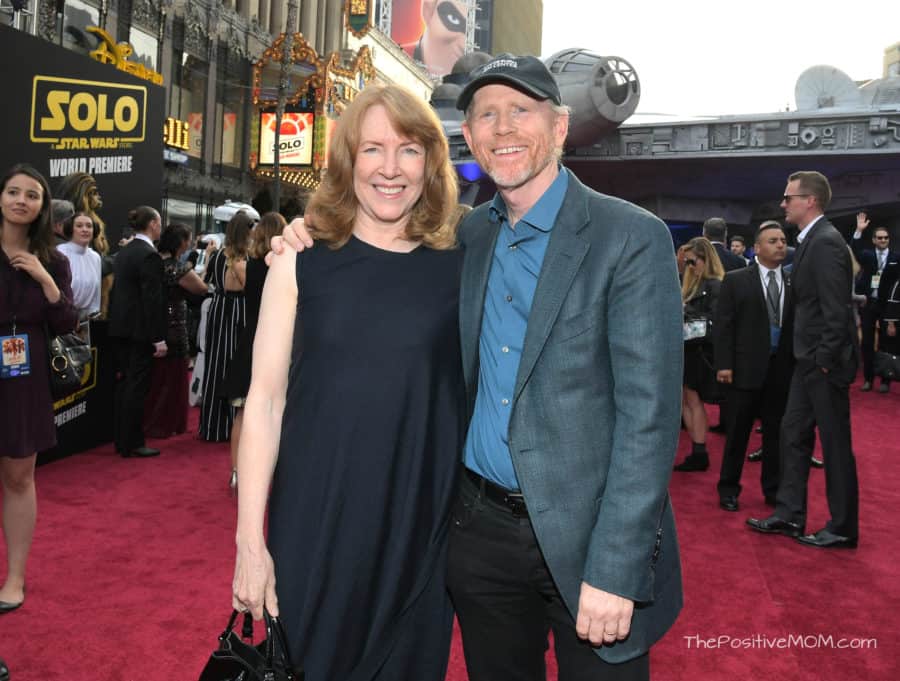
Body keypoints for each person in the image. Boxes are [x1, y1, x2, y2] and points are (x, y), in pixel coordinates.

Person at [278, 54, 684, 681]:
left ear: (559, 126)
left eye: (521, 111)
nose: (503, 128)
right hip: (477, 539)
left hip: (588, 545)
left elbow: (650, 420)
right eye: (486, 115)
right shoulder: (465, 239)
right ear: (467, 138)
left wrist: (615, 566)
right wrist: (301, 235)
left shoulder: (629, 236)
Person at [231, 84, 462, 681]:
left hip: (419, 528)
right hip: (316, 520)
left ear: (431, 163)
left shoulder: (462, 262)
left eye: (409, 150)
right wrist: (249, 542)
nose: (390, 168)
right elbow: (264, 403)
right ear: (346, 160)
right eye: (373, 149)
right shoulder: (299, 260)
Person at [747, 171, 859, 549]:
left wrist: (824, 360)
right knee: (791, 434)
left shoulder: (826, 243)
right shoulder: (813, 241)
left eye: (788, 197)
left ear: (808, 201)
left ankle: (842, 527)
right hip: (807, 364)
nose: (783, 204)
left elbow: (836, 311)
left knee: (834, 446)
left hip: (821, 365)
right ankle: (789, 514)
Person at [0, 163, 77, 613]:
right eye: (13, 191)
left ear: (43, 207)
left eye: (32, 195)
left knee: (18, 475)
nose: (21, 200)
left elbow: (66, 321)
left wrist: (44, 279)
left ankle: (15, 577)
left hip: (23, 374)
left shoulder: (54, 259)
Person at [714, 222, 793, 511]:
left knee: (775, 435)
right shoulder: (736, 280)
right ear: (757, 248)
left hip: (780, 372)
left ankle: (772, 490)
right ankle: (728, 489)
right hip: (744, 370)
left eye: (783, 240)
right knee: (737, 433)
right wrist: (724, 364)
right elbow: (724, 326)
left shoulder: (791, 281)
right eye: (773, 241)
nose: (780, 245)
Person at [222, 211, 286, 490]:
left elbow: (226, 288)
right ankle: (272, 474)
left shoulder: (247, 267)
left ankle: (237, 472)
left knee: (243, 413)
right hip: (280, 343)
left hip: (251, 341)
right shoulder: (287, 269)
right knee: (277, 413)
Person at [107, 206, 168, 458]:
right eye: (160, 222)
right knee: (136, 387)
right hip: (140, 332)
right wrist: (158, 338)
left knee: (124, 386)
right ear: (153, 224)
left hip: (120, 327)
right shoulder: (148, 255)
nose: (161, 227)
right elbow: (152, 300)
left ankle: (122, 440)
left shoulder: (124, 252)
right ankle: (132, 442)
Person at [143, 223, 209, 439]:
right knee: (172, 378)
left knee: (158, 378)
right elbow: (201, 287)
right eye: (188, 239)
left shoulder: (156, 261)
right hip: (174, 325)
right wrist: (207, 261)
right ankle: (164, 423)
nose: (190, 243)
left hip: (155, 324)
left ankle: (152, 421)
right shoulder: (176, 267)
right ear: (181, 242)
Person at [198, 211, 251, 442]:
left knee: (215, 363)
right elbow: (248, 287)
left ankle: (211, 426)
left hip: (218, 309)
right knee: (234, 364)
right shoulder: (245, 258)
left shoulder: (218, 254)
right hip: (238, 310)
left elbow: (204, 282)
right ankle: (231, 425)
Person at [674, 237, 725, 472]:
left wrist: (685, 318)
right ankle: (697, 449)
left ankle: (699, 449)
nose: (689, 266)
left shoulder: (715, 286)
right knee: (687, 401)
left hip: (700, 352)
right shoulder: (690, 285)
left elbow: (715, 325)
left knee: (693, 401)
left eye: (692, 261)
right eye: (687, 262)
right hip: (688, 351)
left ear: (705, 260)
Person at [851, 212, 899, 393]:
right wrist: (858, 230)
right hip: (869, 303)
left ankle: (886, 379)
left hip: (888, 305)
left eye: (886, 238)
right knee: (867, 343)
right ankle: (869, 379)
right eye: (879, 238)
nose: (883, 240)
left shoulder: (896, 257)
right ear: (873, 240)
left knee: (888, 342)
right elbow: (854, 250)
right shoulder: (867, 255)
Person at [56, 211, 102, 321]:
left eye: (89, 226)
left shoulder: (95, 257)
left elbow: (96, 295)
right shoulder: (59, 252)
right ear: (71, 229)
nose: (85, 229)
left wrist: (93, 317)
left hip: (85, 321)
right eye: (79, 226)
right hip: (61, 318)